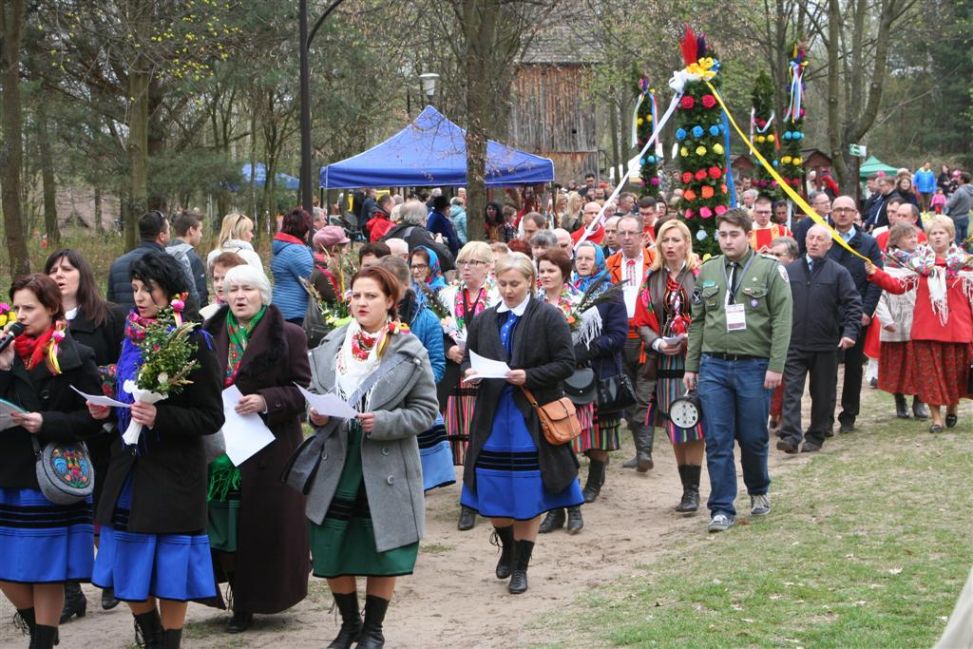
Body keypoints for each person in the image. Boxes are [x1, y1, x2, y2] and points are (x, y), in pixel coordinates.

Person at [296, 266, 438, 649]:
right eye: (356, 295)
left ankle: (374, 630)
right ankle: (349, 625)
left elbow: (426, 412)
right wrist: (315, 414)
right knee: (329, 546)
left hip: (384, 462)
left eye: (371, 296)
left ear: (390, 302)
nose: (361, 302)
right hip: (336, 461)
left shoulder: (410, 351)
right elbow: (312, 393)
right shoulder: (331, 345)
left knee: (383, 548)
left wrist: (386, 421)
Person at [88, 252, 224, 649]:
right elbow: (126, 397)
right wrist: (106, 409)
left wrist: (159, 418)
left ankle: (169, 641)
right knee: (128, 564)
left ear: (172, 291)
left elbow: (210, 417)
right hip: (130, 466)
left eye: (149, 289)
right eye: (134, 289)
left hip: (173, 471)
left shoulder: (193, 340)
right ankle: (149, 633)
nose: (140, 297)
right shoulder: (130, 334)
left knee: (170, 569)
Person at [459, 253, 582, 594]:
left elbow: (566, 363)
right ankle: (508, 547)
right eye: (503, 284)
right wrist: (472, 374)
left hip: (530, 418)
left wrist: (529, 375)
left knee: (527, 493)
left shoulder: (547, 317)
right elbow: (470, 358)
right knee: (493, 489)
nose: (509, 290)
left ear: (530, 282)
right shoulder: (483, 320)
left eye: (515, 284)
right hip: (492, 420)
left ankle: (522, 567)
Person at [201, 264, 311, 633]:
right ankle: (238, 600)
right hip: (222, 447)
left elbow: (302, 391)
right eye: (232, 290)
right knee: (227, 527)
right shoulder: (210, 333)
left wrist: (266, 400)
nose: (239, 296)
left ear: (263, 293)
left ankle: (255, 600)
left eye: (247, 288)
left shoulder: (289, 335)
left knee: (263, 527)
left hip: (270, 448)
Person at [0, 274, 104, 649]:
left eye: (29, 308)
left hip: (52, 474)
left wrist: (47, 423)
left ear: (51, 308)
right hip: (8, 472)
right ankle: (42, 629)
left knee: (47, 568)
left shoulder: (75, 356)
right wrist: (3, 367)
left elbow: (93, 419)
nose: (21, 316)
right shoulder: (5, 352)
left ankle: (42, 641)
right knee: (6, 566)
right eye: (16, 308)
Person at [684, 209, 792, 533]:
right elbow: (698, 321)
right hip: (714, 365)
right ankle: (721, 508)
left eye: (734, 234)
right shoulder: (707, 271)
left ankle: (758, 489)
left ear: (748, 235)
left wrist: (776, 366)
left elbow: (782, 320)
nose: (728, 240)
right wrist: (692, 365)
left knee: (754, 437)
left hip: (754, 367)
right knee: (717, 440)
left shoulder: (770, 270)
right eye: (723, 234)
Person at [44, 249, 128, 617]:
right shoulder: (40, 318)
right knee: (65, 507)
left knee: (104, 506)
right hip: (61, 428)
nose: (59, 275)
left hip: (104, 426)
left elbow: (127, 362)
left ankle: (110, 575)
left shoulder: (109, 316)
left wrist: (101, 379)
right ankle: (71, 590)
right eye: (53, 270)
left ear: (83, 275)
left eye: (67, 269)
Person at [866, 215, 972, 432]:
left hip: (958, 329)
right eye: (933, 233)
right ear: (928, 238)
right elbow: (897, 286)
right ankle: (936, 419)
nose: (938, 236)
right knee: (930, 376)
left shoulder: (966, 263)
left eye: (942, 232)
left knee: (955, 374)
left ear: (951, 236)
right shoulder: (919, 264)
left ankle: (952, 409)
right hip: (926, 329)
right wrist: (875, 274)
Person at [634, 220, 705, 512]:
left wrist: (692, 339)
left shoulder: (700, 275)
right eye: (666, 240)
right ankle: (686, 489)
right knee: (676, 425)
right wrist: (658, 343)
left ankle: (694, 490)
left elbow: (710, 314)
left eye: (676, 240)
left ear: (686, 243)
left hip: (696, 359)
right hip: (666, 361)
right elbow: (641, 320)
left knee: (694, 423)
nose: (671, 245)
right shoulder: (652, 279)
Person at [776, 225, 862, 454]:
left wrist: (849, 332)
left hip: (825, 344)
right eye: (811, 238)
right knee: (792, 390)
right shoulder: (789, 271)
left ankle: (815, 435)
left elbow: (853, 304)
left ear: (829, 244)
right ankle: (791, 436)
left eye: (820, 239)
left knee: (822, 393)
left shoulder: (839, 272)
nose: (814, 242)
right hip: (794, 342)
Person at [437, 242, 500, 531]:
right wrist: (450, 348)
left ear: (489, 267)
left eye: (475, 263)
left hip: (487, 374)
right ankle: (468, 497)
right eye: (463, 263)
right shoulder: (447, 295)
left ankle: (477, 497)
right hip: (457, 376)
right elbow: (434, 330)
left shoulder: (498, 295)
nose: (467, 268)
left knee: (485, 437)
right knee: (461, 439)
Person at [378, 256, 453, 491]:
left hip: (412, 403)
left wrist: (412, 389)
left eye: (388, 286)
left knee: (413, 477)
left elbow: (438, 366)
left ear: (404, 285)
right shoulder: (371, 318)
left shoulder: (428, 318)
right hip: (380, 403)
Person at [569, 242, 627, 506]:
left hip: (601, 370)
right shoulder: (566, 290)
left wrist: (588, 349)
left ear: (599, 260)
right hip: (568, 373)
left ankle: (594, 480)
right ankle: (570, 480)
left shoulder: (611, 292)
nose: (582, 262)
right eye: (579, 258)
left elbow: (618, 335)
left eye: (588, 258)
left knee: (598, 432)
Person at [826, 196, 884, 433]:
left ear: (855, 213)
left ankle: (849, 415)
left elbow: (875, 280)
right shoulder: (823, 238)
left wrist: (866, 311)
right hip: (827, 314)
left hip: (856, 314)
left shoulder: (868, 242)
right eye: (838, 210)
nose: (842, 214)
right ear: (831, 213)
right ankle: (824, 417)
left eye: (847, 210)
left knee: (853, 368)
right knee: (825, 369)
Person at [606, 214, 656, 471]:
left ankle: (645, 451)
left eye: (630, 233)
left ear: (642, 235)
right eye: (620, 233)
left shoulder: (655, 263)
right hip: (619, 336)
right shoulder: (608, 265)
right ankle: (641, 452)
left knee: (644, 393)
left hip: (647, 335)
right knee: (627, 392)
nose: (625, 238)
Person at [873, 224, 928, 419]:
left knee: (920, 363)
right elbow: (879, 295)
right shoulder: (886, 265)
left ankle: (919, 401)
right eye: (908, 237)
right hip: (896, 321)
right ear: (896, 240)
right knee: (898, 364)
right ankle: (899, 399)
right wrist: (886, 320)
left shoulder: (923, 263)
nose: (913, 240)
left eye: (915, 236)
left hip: (918, 321)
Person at [765, 236, 799, 431]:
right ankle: (773, 413)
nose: (773, 258)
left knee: (787, 379)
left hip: (791, 335)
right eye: (771, 254)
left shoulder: (796, 277)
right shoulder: (765, 274)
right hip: (766, 334)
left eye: (778, 255)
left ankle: (784, 417)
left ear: (792, 258)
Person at [107, 211, 171, 310]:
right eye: (169, 230)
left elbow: (111, 304)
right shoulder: (168, 265)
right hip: (159, 324)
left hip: (124, 323)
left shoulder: (117, 265)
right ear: (162, 236)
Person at [271, 208, 314, 326]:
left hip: (281, 308)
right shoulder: (296, 250)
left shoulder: (283, 247)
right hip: (294, 312)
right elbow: (312, 281)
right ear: (304, 229)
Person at [166, 211, 208, 308]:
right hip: (190, 316)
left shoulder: (162, 253)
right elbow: (201, 294)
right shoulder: (192, 258)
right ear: (191, 230)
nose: (201, 235)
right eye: (200, 230)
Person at [200, 252, 248, 322]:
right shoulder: (206, 314)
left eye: (224, 278)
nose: (219, 284)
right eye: (216, 279)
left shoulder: (252, 314)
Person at [311, 225, 353, 304]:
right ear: (334, 248)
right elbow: (335, 302)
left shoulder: (317, 264)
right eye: (344, 247)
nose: (346, 251)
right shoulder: (325, 272)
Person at [945, 171, 972, 246]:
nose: (957, 179)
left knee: (956, 240)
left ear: (962, 180)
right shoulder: (971, 190)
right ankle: (966, 254)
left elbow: (950, 204)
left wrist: (946, 202)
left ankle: (957, 255)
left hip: (957, 217)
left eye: (959, 178)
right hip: (966, 216)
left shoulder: (960, 191)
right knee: (965, 240)